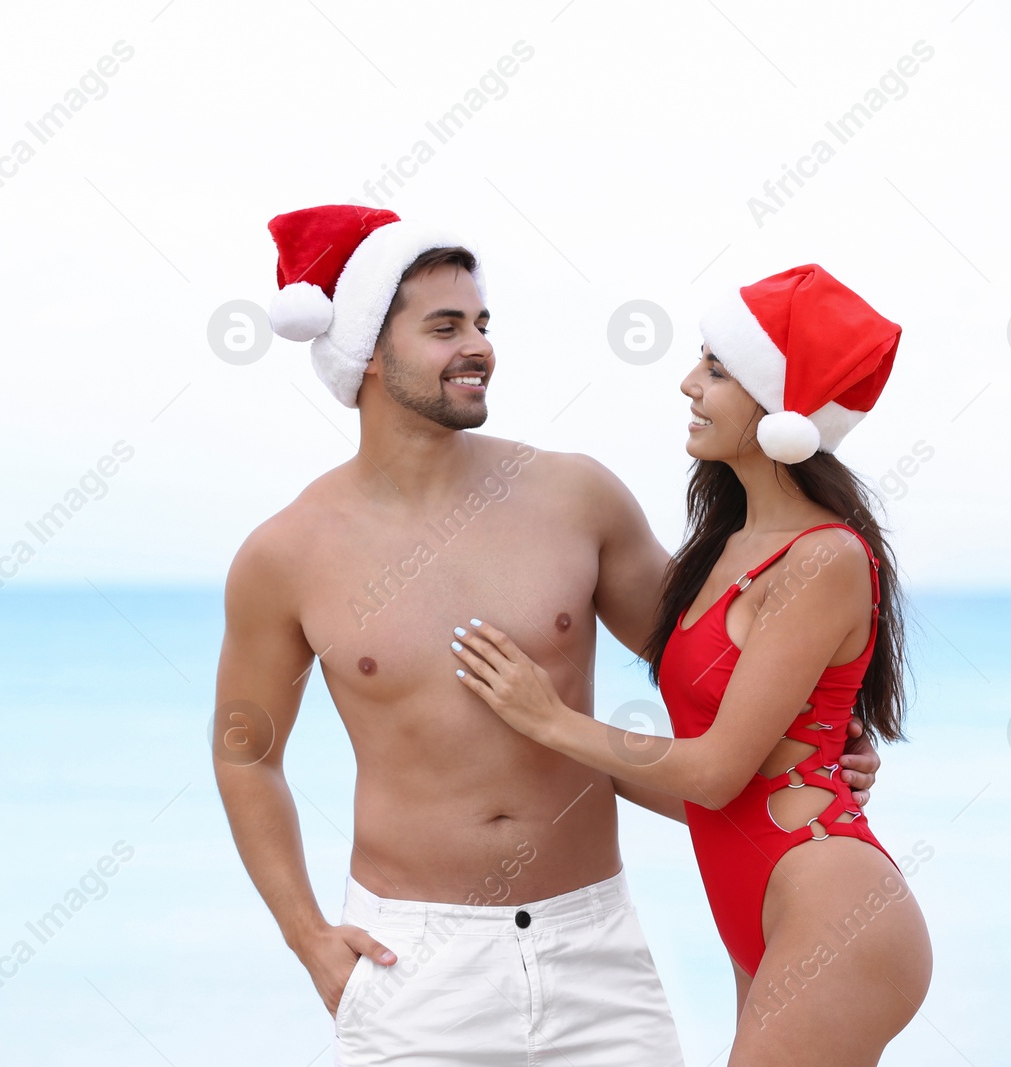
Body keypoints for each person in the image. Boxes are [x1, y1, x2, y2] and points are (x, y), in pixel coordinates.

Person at [214, 208, 884, 1066]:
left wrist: (823, 744)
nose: (479, 346)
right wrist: (307, 935)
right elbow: (245, 752)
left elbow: (717, 669)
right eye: (445, 326)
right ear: (367, 351)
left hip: (594, 948)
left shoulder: (574, 498)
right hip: (414, 963)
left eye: (483, 323)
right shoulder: (287, 553)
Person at [453, 264, 933, 1064]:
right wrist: (533, 748)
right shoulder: (726, 550)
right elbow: (720, 795)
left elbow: (712, 772)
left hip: (834, 903)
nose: (688, 383)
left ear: (780, 405)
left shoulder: (825, 559)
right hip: (766, 908)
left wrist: (554, 719)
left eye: (716, 367)